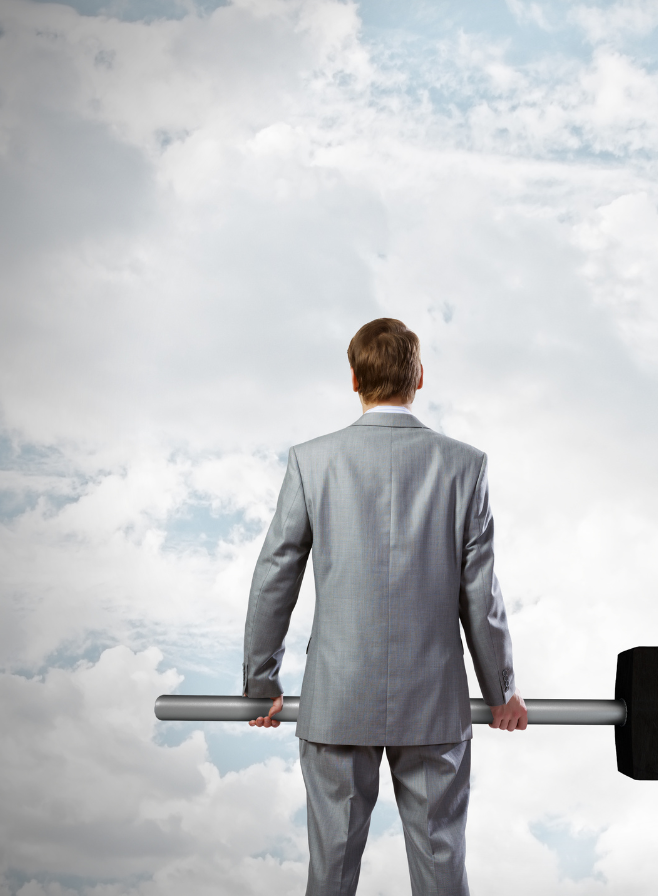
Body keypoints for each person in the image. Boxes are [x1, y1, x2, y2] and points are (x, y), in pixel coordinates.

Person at [241, 318, 527, 896]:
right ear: (419, 377)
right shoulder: (465, 465)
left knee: (332, 872)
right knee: (441, 864)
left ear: (354, 379)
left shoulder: (311, 460)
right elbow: (480, 591)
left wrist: (259, 680)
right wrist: (501, 690)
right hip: (433, 701)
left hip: (339, 695)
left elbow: (276, 573)